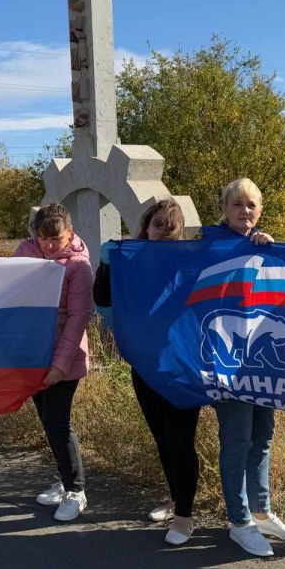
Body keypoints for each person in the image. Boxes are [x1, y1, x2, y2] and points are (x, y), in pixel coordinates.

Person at [93, 199, 200, 545]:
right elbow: (102, 298)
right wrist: (107, 265)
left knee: (180, 442)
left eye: (171, 226)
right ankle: (175, 500)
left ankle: (185, 517)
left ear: (180, 232)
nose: (163, 231)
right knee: (163, 440)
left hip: (182, 367)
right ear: (147, 226)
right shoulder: (130, 259)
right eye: (158, 224)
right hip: (145, 365)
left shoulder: (189, 262)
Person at [208, 178, 285, 557]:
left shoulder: (264, 245)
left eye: (251, 205)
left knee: (263, 437)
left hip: (261, 368)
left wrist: (268, 249)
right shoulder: (210, 247)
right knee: (237, 442)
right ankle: (240, 521)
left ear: (260, 210)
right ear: (224, 208)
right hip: (229, 365)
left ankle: (261, 512)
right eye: (237, 205)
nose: (244, 211)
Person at [15, 204, 94, 522]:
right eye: (43, 238)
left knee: (58, 422)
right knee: (47, 421)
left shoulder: (79, 266)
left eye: (56, 239)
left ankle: (76, 490)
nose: (49, 245)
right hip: (34, 355)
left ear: (70, 234)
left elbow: (78, 319)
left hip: (65, 357)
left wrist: (60, 364)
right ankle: (64, 479)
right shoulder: (25, 253)